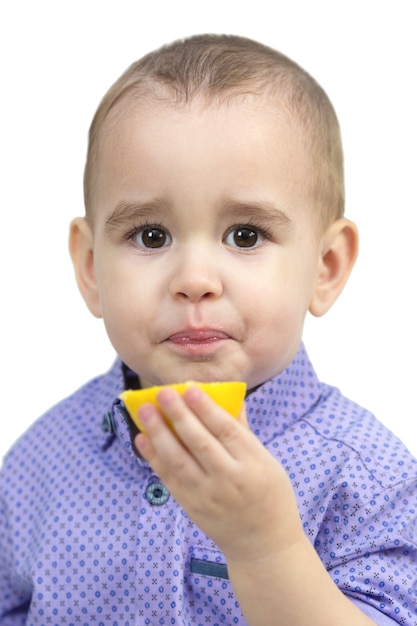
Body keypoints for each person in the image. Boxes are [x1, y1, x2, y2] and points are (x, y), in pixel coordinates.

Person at [1, 34, 416, 626]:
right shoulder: (42, 461)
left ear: (325, 268)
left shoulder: (368, 479)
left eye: (245, 235)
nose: (194, 279)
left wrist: (267, 549)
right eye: (151, 235)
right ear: (91, 268)